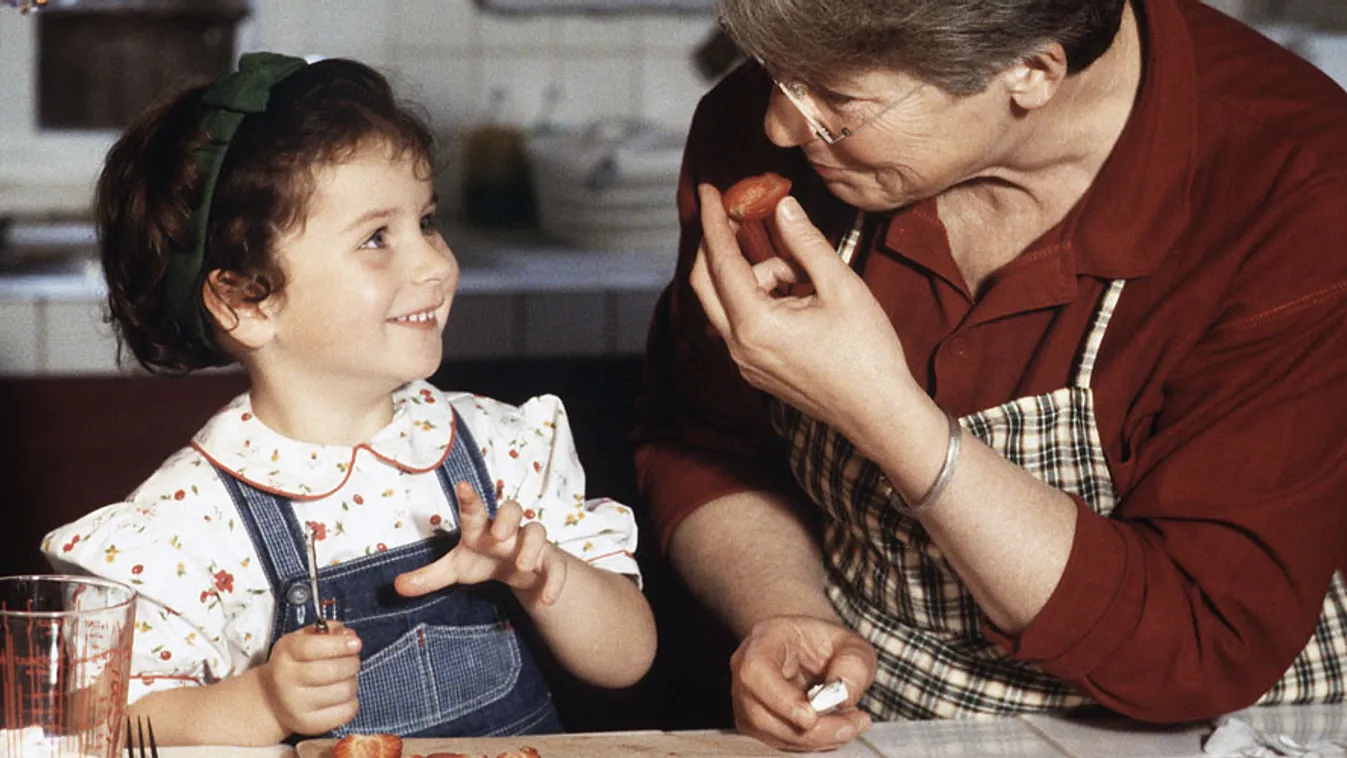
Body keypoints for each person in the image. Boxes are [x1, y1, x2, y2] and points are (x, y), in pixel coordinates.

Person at [633, 0, 1347, 751]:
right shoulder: (765, 126)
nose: (779, 125)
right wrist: (781, 608)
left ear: (1029, 71)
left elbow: (1201, 645)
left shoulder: (1296, 192)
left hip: (1206, 727)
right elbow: (701, 438)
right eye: (777, 74)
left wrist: (882, 411)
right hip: (869, 710)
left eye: (835, 100)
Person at [42, 52, 656, 747]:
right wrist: (263, 704)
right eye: (375, 238)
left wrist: (546, 572)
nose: (434, 263)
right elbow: (111, 721)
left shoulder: (500, 446)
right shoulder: (188, 525)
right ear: (245, 299)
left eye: (426, 221)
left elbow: (627, 658)